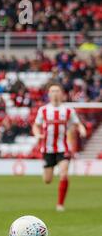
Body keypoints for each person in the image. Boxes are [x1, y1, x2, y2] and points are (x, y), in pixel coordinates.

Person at [32, 83, 87, 212]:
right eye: (52, 91)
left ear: (62, 94)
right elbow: (36, 125)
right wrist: (37, 134)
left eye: (57, 90)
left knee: (64, 174)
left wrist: (82, 129)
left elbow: (78, 123)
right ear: (49, 94)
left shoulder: (68, 110)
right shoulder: (43, 110)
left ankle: (60, 204)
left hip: (63, 148)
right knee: (47, 180)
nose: (55, 93)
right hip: (47, 149)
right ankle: (50, 169)